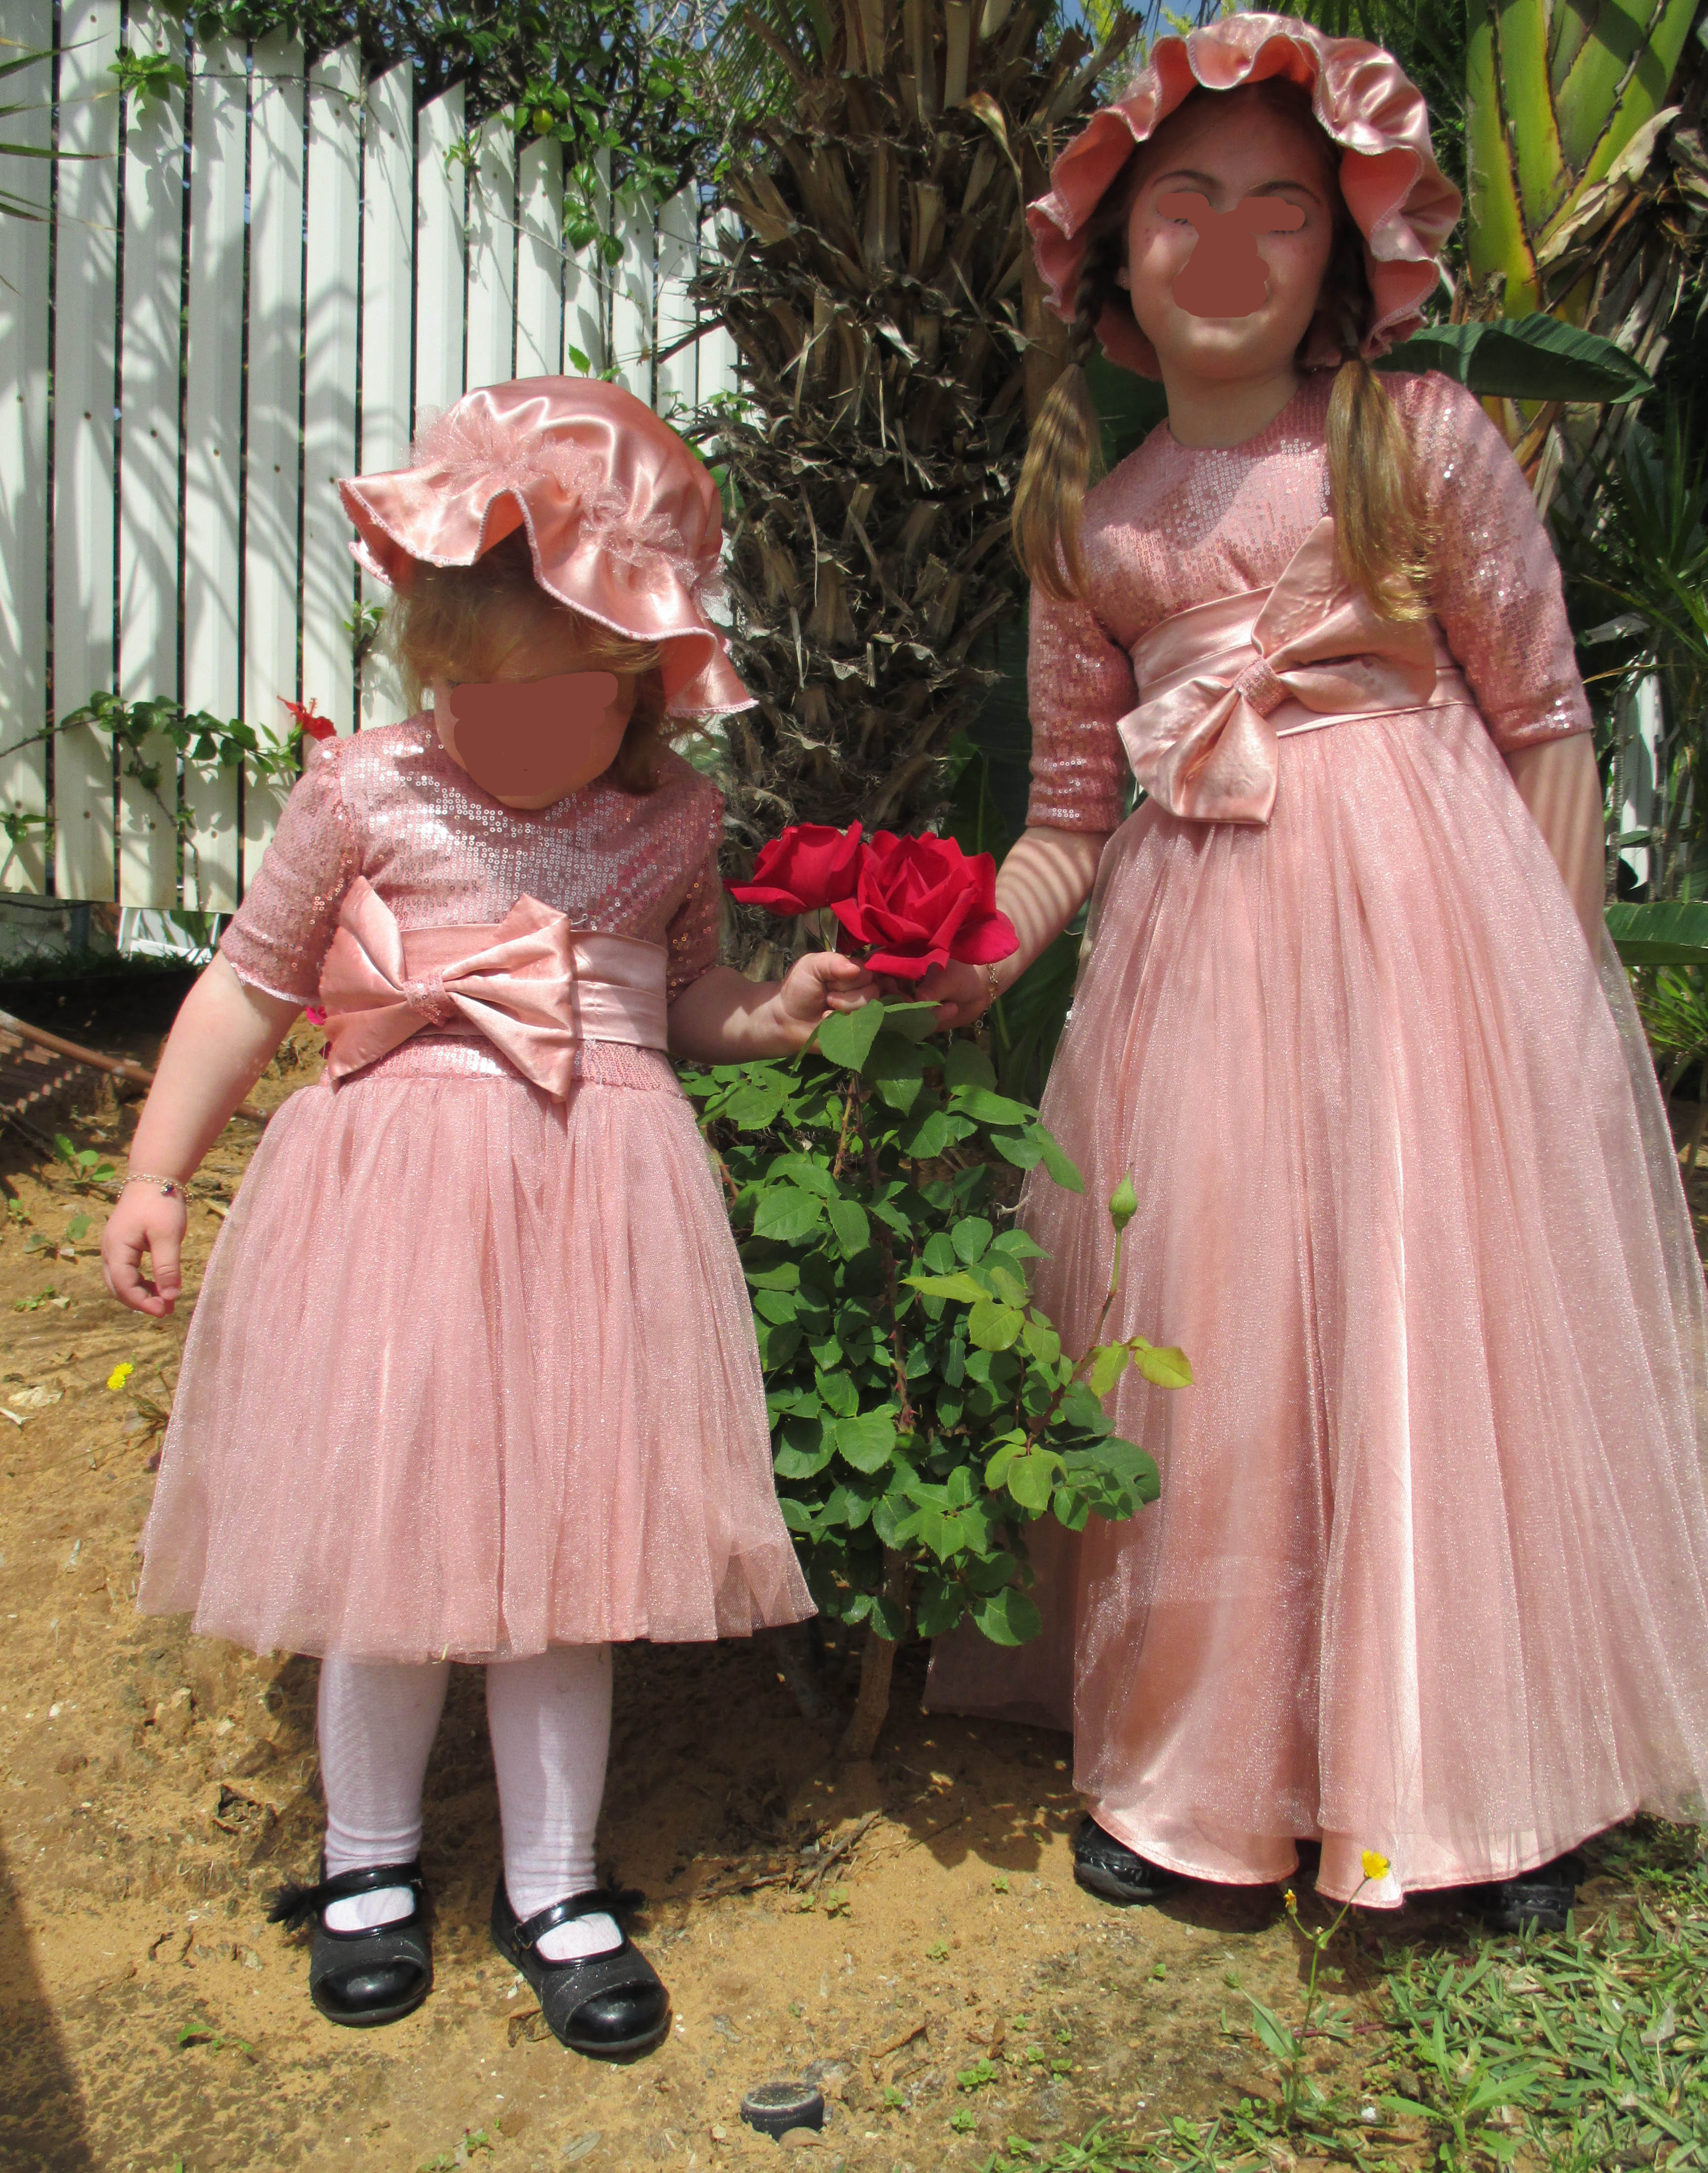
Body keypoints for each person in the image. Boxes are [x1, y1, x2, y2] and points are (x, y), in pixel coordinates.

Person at [924, 16, 1708, 1927]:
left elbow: (1543, 721)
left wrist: (1549, 1014)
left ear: (1344, 254)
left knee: (1441, 1343)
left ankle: (1492, 1786)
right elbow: (1071, 813)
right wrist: (971, 954)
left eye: (1283, 209)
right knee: (1221, 1366)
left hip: (1432, 968)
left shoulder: (1412, 438)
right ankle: (1209, 1772)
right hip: (1200, 987)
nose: (1228, 242)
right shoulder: (1094, 526)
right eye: (1183, 201)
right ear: (1113, 258)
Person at [102, 378, 872, 2050]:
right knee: (385, 1549)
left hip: (594, 1217)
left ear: (641, 683)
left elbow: (682, 1002)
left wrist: (775, 1012)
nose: (508, 733)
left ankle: (557, 1884)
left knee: (571, 1561)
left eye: (562, 704)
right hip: (390, 1219)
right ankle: (368, 1863)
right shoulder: (363, 793)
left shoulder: (672, 820)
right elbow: (249, 984)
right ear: (427, 668)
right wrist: (157, 1171)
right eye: (473, 697)